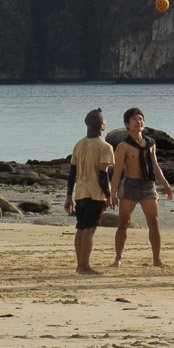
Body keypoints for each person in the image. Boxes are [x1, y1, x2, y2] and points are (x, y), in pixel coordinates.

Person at [112, 107, 174, 268]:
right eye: (134, 120)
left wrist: (166, 185)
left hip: (148, 185)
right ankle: (118, 257)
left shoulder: (150, 143)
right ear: (127, 124)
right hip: (130, 185)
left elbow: (155, 166)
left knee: (153, 222)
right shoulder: (123, 146)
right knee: (124, 222)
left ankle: (156, 259)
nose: (138, 122)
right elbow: (117, 170)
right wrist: (112, 194)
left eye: (140, 119)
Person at [67, 109, 114, 277]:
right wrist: (108, 195)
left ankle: (80, 265)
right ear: (101, 125)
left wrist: (68, 196)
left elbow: (72, 172)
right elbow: (103, 174)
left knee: (80, 228)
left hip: (80, 192)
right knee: (89, 229)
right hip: (95, 193)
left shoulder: (79, 144)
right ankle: (85, 266)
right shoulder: (105, 147)